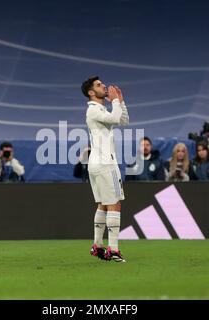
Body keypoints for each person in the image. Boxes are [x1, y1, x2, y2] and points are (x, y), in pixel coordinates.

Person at [82, 76, 129, 262]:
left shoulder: (99, 109)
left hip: (96, 163)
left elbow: (122, 121)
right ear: (91, 93)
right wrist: (116, 100)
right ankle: (114, 249)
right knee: (115, 203)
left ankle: (98, 245)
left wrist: (121, 102)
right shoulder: (93, 110)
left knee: (103, 203)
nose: (104, 86)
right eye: (99, 85)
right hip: (105, 163)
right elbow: (116, 117)